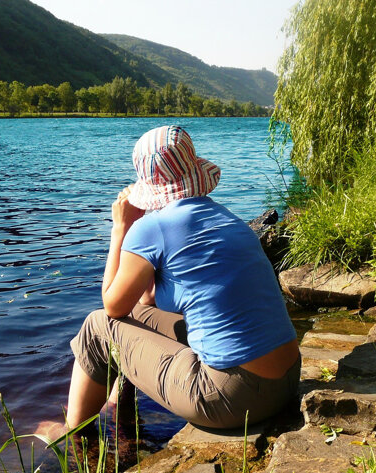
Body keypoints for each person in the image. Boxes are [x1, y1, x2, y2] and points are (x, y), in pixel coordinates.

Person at [65, 125, 300, 435]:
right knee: (137, 318)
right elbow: (144, 304)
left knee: (97, 329)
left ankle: (71, 433)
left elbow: (111, 306)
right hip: (285, 383)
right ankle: (115, 405)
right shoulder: (225, 218)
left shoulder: (152, 228)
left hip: (233, 398)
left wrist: (120, 230)